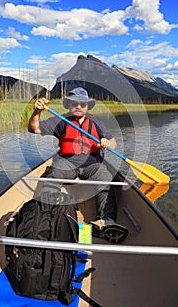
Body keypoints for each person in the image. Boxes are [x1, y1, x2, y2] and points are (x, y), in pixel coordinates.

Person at [28, 87, 128, 243]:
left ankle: (105, 221)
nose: (79, 107)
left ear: (87, 106)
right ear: (69, 105)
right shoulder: (60, 121)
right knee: (53, 176)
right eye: (75, 103)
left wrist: (107, 143)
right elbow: (34, 128)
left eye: (83, 104)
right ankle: (47, 216)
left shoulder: (96, 123)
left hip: (92, 164)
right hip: (67, 163)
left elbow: (113, 143)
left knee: (105, 177)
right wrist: (36, 112)